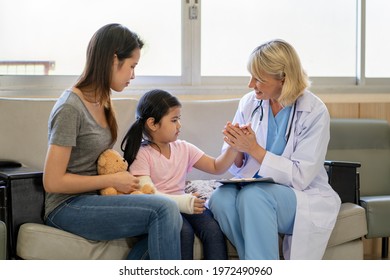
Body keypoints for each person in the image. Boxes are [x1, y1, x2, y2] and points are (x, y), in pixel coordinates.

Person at [43, 23, 182, 260]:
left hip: (95, 198)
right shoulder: (70, 107)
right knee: (165, 210)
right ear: (112, 60)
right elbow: (52, 182)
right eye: (132, 66)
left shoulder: (103, 100)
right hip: (66, 206)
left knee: (172, 218)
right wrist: (112, 179)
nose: (133, 75)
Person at [208, 39, 341, 260]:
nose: (251, 85)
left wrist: (254, 148)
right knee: (220, 200)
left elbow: (301, 177)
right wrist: (236, 146)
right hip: (254, 187)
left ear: (284, 79)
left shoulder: (314, 111)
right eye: (251, 76)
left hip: (300, 195)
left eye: (259, 79)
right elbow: (239, 164)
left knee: (254, 197)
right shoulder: (249, 103)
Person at [122, 89, 238, 260]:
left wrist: (234, 146)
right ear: (152, 124)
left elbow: (216, 166)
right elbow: (149, 193)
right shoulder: (142, 154)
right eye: (174, 120)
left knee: (213, 230)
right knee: (184, 232)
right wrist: (185, 202)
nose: (179, 125)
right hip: (161, 211)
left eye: (179, 119)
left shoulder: (184, 148)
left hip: (185, 203)